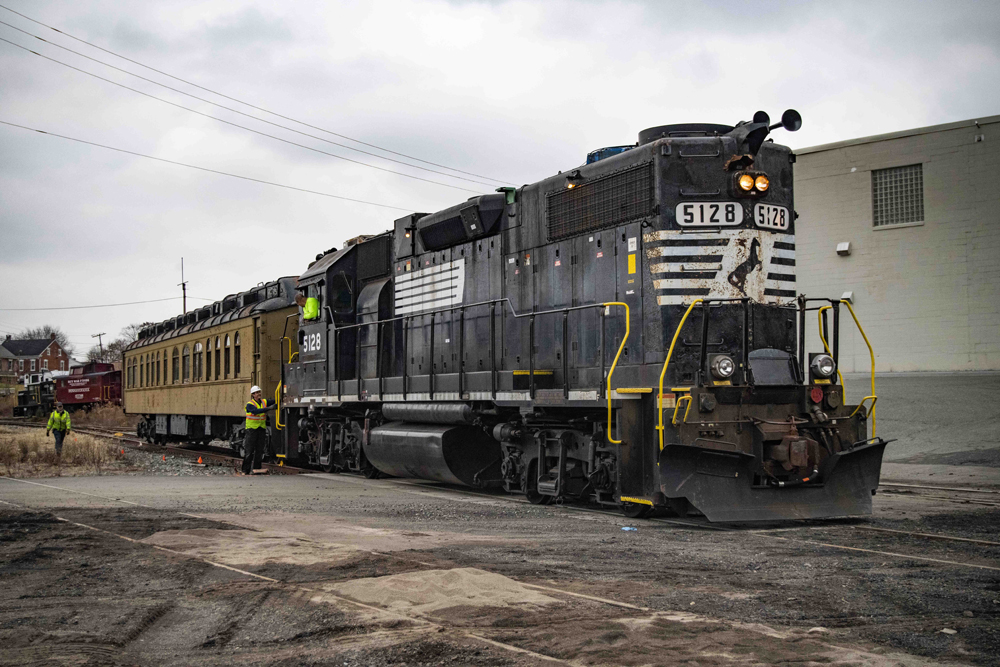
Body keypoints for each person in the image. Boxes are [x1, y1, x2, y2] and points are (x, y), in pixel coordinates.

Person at [242, 385, 276, 474]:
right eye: (256, 393)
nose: (258, 394)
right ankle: (245, 470)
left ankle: (256, 469)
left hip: (261, 429)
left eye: (259, 392)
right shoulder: (250, 404)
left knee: (259, 450)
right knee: (249, 451)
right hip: (251, 429)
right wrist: (269, 408)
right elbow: (255, 411)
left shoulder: (264, 402)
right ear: (253, 395)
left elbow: (274, 401)